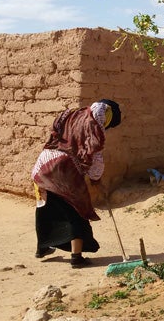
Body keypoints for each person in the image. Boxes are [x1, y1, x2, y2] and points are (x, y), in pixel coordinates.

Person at [31, 99, 121, 268]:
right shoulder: (95, 129)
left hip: (43, 164)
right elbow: (96, 160)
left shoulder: (70, 114)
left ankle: (42, 248)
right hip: (64, 170)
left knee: (45, 207)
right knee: (76, 209)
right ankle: (76, 257)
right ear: (107, 118)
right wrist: (96, 180)